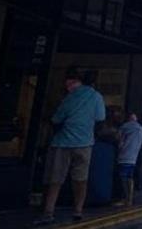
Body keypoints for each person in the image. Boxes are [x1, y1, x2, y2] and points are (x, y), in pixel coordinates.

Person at [35, 67, 106, 225]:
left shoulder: (70, 96)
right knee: (80, 179)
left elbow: (56, 119)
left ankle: (49, 211)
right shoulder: (97, 97)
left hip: (62, 142)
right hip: (85, 143)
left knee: (55, 179)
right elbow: (100, 118)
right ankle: (78, 210)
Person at [116, 112, 142, 207]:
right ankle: (130, 199)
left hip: (124, 156)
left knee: (123, 178)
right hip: (133, 157)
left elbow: (118, 139)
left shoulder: (125, 127)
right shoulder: (140, 128)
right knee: (129, 178)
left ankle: (124, 198)